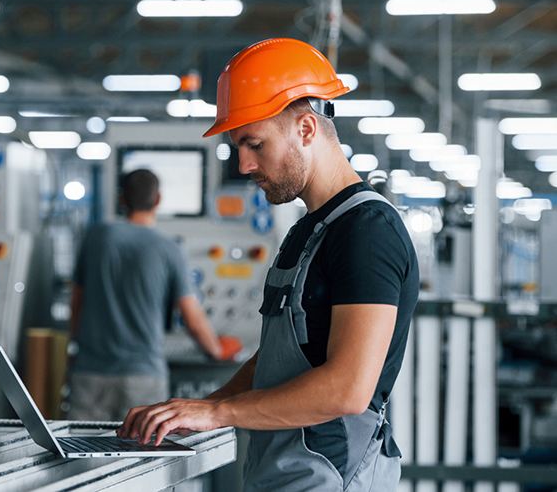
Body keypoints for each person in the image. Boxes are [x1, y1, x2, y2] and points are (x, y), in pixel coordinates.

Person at [117, 38, 419, 491]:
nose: (243, 164)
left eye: (253, 144)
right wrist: (197, 411)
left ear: (305, 128)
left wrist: (218, 412)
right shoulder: (307, 230)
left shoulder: (367, 232)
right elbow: (279, 360)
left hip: (333, 477)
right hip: (285, 473)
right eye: (237, 146)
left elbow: (348, 389)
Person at [68, 168, 240, 422]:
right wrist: (216, 349)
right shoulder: (169, 248)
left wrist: (80, 349)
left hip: (90, 373)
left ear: (121, 199)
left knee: (83, 452)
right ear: (158, 200)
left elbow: (76, 305)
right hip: (143, 377)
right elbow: (191, 318)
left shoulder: (95, 238)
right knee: (143, 454)